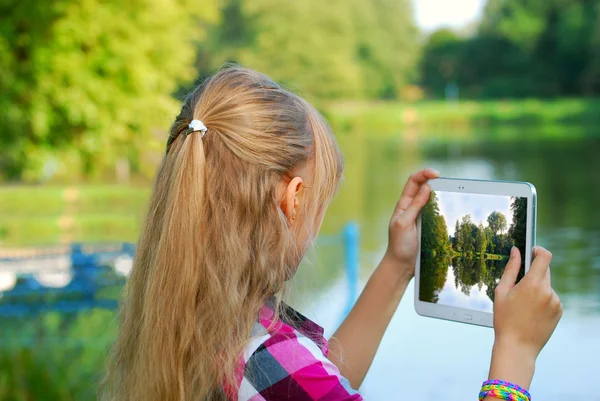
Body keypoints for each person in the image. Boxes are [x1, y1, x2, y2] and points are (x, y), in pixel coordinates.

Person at [100, 66, 562, 401]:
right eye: (321, 204)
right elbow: (307, 382)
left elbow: (322, 382)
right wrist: (515, 357)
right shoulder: (270, 358)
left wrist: (398, 265)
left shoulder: (197, 321)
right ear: (293, 198)